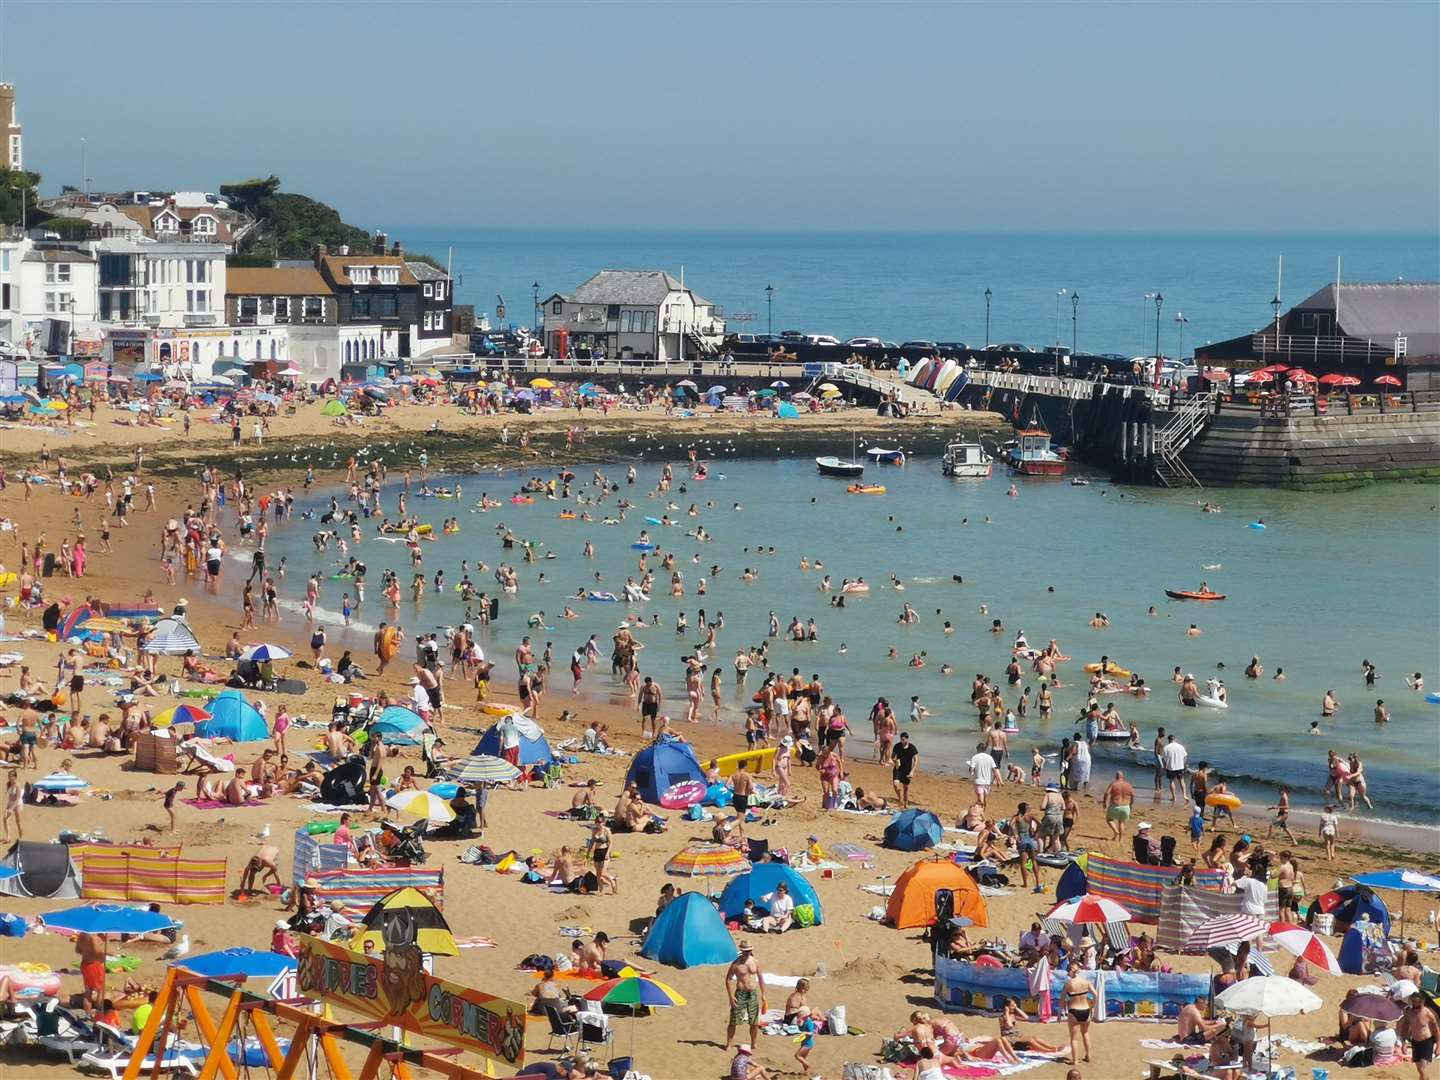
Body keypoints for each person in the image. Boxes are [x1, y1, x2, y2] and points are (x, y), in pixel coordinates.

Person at [724, 941, 766, 1050]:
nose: (747, 953)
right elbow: (728, 979)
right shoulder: (736, 964)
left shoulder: (755, 962)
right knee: (734, 1020)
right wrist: (730, 996)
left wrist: (763, 995)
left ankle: (753, 1043)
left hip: (752, 994)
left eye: (749, 951)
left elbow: (761, 979)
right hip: (740, 994)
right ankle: (729, 1043)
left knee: (754, 1021)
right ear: (742, 951)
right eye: (745, 951)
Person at [1403, 989, 1437, 1080]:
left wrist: (1439, 1045)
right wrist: (1404, 1042)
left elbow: (1436, 1029)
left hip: (1427, 1043)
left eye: (1417, 1003)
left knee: (1422, 1069)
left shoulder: (1428, 1013)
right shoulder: (1409, 1013)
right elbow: (1405, 1027)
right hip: (1415, 1043)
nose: (1415, 1004)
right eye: (1413, 1002)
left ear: (1422, 1002)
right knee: (1420, 1070)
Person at [1063, 969, 1094, 1066]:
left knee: (1074, 1038)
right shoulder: (1086, 982)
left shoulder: (1069, 983)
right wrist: (1093, 1006)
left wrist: (1061, 1012)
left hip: (1074, 1010)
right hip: (1086, 1009)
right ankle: (1088, 1055)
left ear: (1071, 971)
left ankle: (1075, 1060)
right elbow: (1096, 994)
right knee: (1085, 1033)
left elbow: (1062, 998)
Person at [1101, 770, 1134, 842]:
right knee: (1121, 822)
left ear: (1116, 777)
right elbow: (1133, 795)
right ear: (1123, 777)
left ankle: (1116, 831)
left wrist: (1104, 802)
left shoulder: (1113, 784)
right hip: (1125, 806)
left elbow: (1106, 793)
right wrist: (1131, 804)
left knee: (1109, 819)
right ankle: (1121, 839)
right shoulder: (1128, 784)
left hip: (1115, 805)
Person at [892, 731, 918, 809]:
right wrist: (895, 761)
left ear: (907, 739)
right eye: (901, 739)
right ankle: (900, 798)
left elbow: (916, 759)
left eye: (903, 740)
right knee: (895, 784)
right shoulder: (897, 746)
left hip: (907, 769)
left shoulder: (912, 747)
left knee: (906, 788)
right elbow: (892, 756)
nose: (902, 741)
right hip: (898, 768)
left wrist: (912, 771)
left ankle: (905, 803)